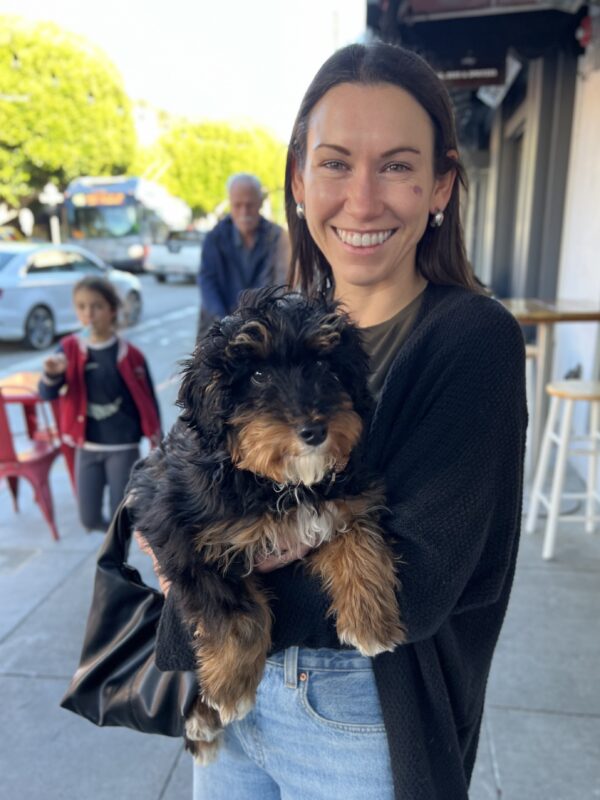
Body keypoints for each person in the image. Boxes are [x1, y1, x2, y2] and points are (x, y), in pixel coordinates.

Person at [141, 42, 527, 800]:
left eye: (398, 165)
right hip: (229, 704)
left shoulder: (471, 338)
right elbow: (177, 467)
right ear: (298, 178)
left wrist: (218, 570)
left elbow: (414, 589)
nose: (362, 198)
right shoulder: (281, 321)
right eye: (336, 162)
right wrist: (176, 540)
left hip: (362, 711)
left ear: (441, 184)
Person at [39, 276, 161, 532]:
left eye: (96, 306)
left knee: (121, 513)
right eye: (81, 307)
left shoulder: (131, 355)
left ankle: (115, 555)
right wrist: (53, 374)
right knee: (88, 518)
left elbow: (148, 400)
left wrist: (156, 439)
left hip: (122, 445)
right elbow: (47, 393)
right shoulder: (68, 349)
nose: (88, 314)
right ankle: (113, 542)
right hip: (87, 445)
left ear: (112, 311)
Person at [197, 173, 290, 334]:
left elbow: (282, 282)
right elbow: (207, 282)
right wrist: (224, 323)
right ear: (230, 204)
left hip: (265, 328)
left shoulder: (277, 238)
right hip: (219, 324)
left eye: (250, 205)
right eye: (237, 205)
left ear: (260, 203)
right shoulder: (214, 238)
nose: (244, 212)